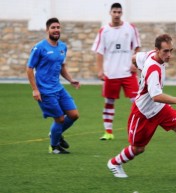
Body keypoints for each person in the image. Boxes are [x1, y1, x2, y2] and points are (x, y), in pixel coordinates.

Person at [107, 34, 176, 178]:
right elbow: (156, 96)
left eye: (171, 50)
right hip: (143, 112)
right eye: (165, 51)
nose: (169, 55)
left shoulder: (149, 54)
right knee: (138, 149)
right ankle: (114, 163)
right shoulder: (153, 69)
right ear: (157, 50)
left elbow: (134, 58)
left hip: (159, 109)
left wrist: (138, 71)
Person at [26, 18, 80, 154]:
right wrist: (35, 90)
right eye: (53, 27)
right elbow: (29, 68)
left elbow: (62, 67)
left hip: (59, 88)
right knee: (60, 119)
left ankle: (55, 133)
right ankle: (54, 146)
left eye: (58, 27)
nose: (56, 30)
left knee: (74, 115)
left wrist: (70, 80)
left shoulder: (62, 47)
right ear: (47, 30)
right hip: (45, 91)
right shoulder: (39, 47)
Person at [91, 3, 141, 140]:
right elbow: (99, 52)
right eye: (115, 12)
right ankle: (108, 132)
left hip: (128, 73)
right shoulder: (104, 31)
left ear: (122, 13)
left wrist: (135, 63)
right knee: (109, 102)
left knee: (137, 102)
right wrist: (100, 70)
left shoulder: (130, 28)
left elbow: (137, 48)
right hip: (111, 73)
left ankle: (138, 130)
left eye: (119, 12)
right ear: (110, 13)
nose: (117, 14)